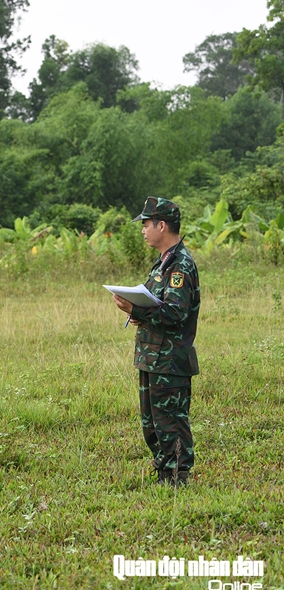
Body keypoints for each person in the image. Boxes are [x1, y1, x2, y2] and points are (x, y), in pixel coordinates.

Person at [113, 197, 200, 487]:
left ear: (162, 225)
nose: (143, 230)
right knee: (152, 422)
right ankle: (163, 472)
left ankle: (176, 478)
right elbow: (157, 306)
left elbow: (175, 312)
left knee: (170, 421)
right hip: (152, 355)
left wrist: (135, 310)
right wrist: (140, 314)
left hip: (170, 358)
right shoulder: (162, 263)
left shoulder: (181, 267)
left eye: (146, 224)